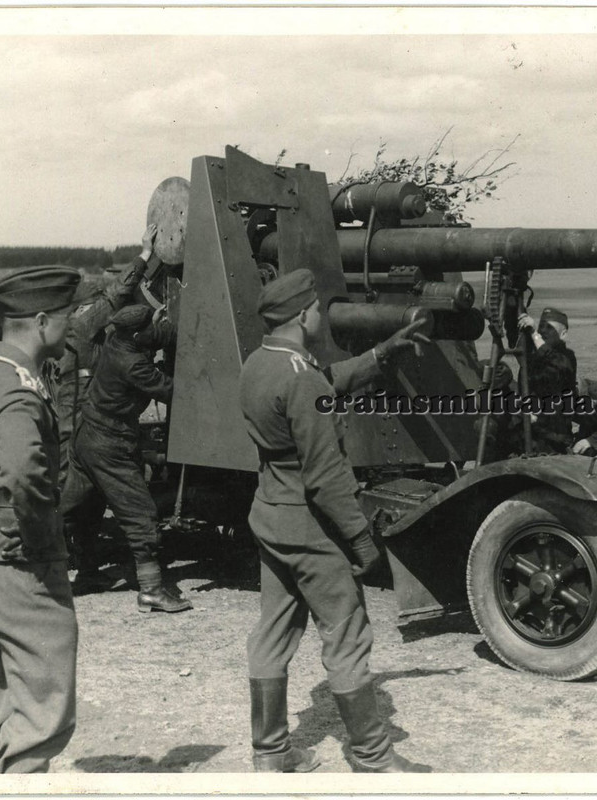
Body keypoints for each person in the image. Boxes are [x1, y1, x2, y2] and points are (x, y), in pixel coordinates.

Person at [238, 269, 431, 773]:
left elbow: (321, 383)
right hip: (313, 530)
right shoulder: (299, 378)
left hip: (273, 519)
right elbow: (325, 475)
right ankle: (373, 757)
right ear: (303, 315)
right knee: (347, 637)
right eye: (317, 310)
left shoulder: (259, 363)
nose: (320, 317)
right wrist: (361, 541)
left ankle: (270, 753)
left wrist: (380, 353)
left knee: (272, 635)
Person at [0, 266, 83, 772]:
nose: (71, 327)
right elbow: (23, 472)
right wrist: (34, 539)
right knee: (41, 718)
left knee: (16, 702)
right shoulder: (19, 390)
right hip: (15, 567)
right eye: (67, 317)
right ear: (42, 321)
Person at [59, 303, 185, 612]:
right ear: (139, 334)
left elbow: (151, 337)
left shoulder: (117, 340)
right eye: (153, 325)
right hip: (109, 444)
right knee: (140, 513)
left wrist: (163, 329)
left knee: (78, 508)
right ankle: (152, 590)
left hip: (86, 435)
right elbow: (173, 391)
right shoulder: (132, 364)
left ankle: (81, 572)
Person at [55, 225, 156, 485]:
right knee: (72, 470)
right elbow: (115, 296)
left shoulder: (78, 327)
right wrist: (145, 254)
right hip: (81, 404)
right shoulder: (83, 323)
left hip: (80, 402)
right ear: (86, 307)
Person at [516, 307, 578, 453]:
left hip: (554, 436)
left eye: (549, 328)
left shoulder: (567, 357)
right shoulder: (535, 356)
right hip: (530, 430)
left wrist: (534, 334)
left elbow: (555, 363)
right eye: (541, 326)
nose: (543, 331)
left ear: (563, 334)